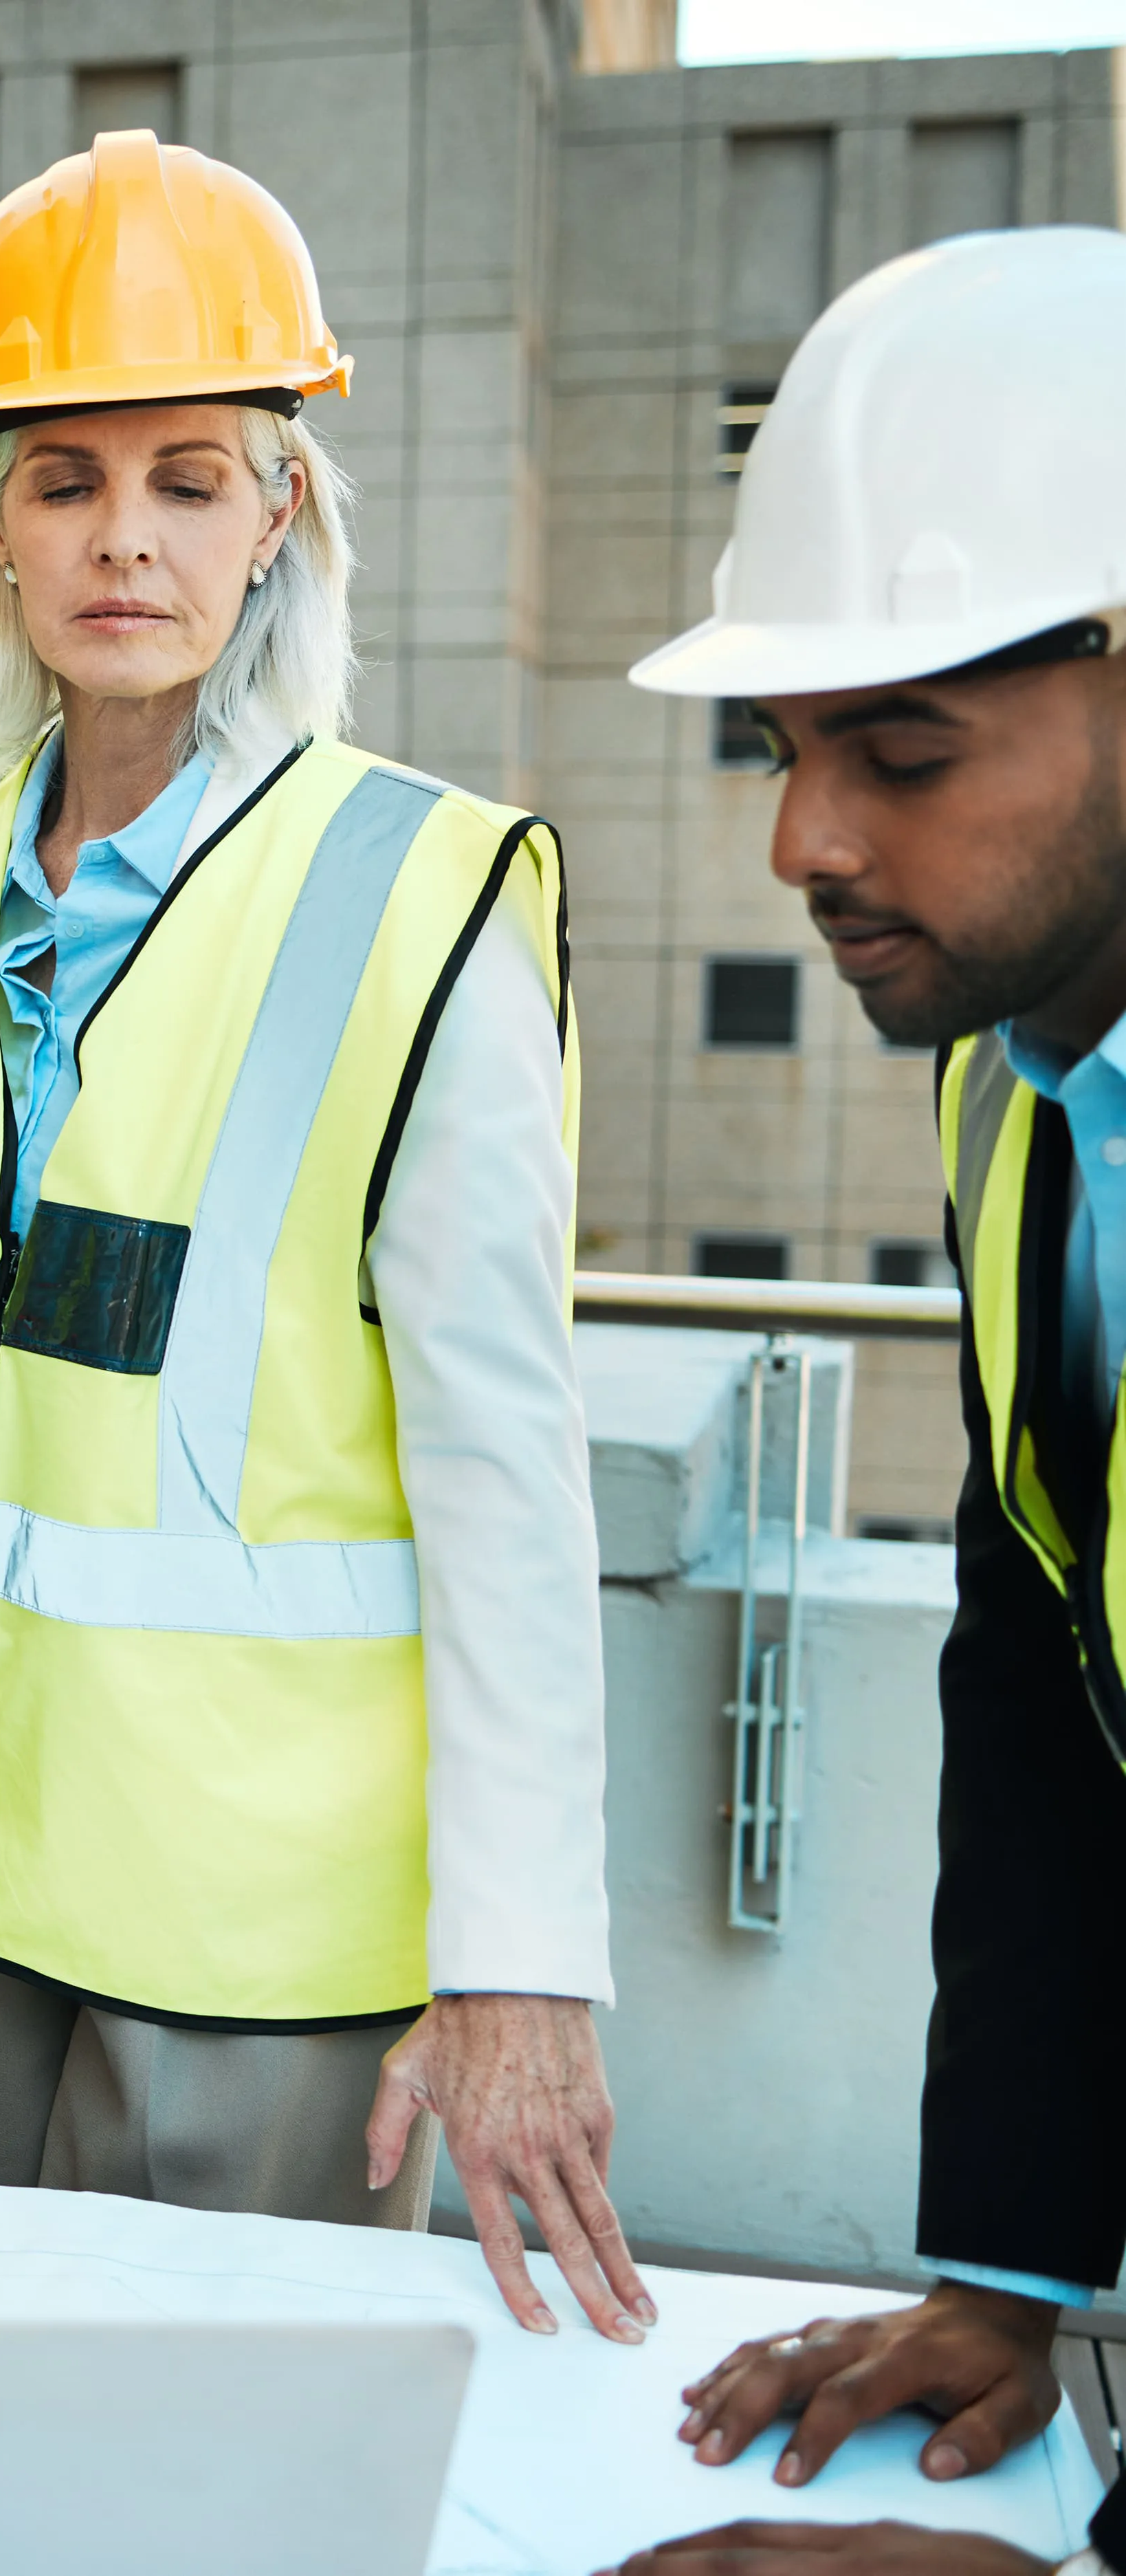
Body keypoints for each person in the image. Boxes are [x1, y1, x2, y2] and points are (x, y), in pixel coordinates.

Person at [0, 128, 641, 2342]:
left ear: (282, 518)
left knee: (228, 2473)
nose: (123, 536)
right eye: (62, 477)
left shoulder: (427, 892)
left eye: (189, 474)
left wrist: (520, 1961)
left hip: (270, 1940)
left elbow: (504, 1473)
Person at [609, 228, 1126, 2576]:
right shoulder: (1023, 1085)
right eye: (793, 752)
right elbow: (1046, 1680)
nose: (807, 846)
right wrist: (1012, 2268)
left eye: (899, 755)